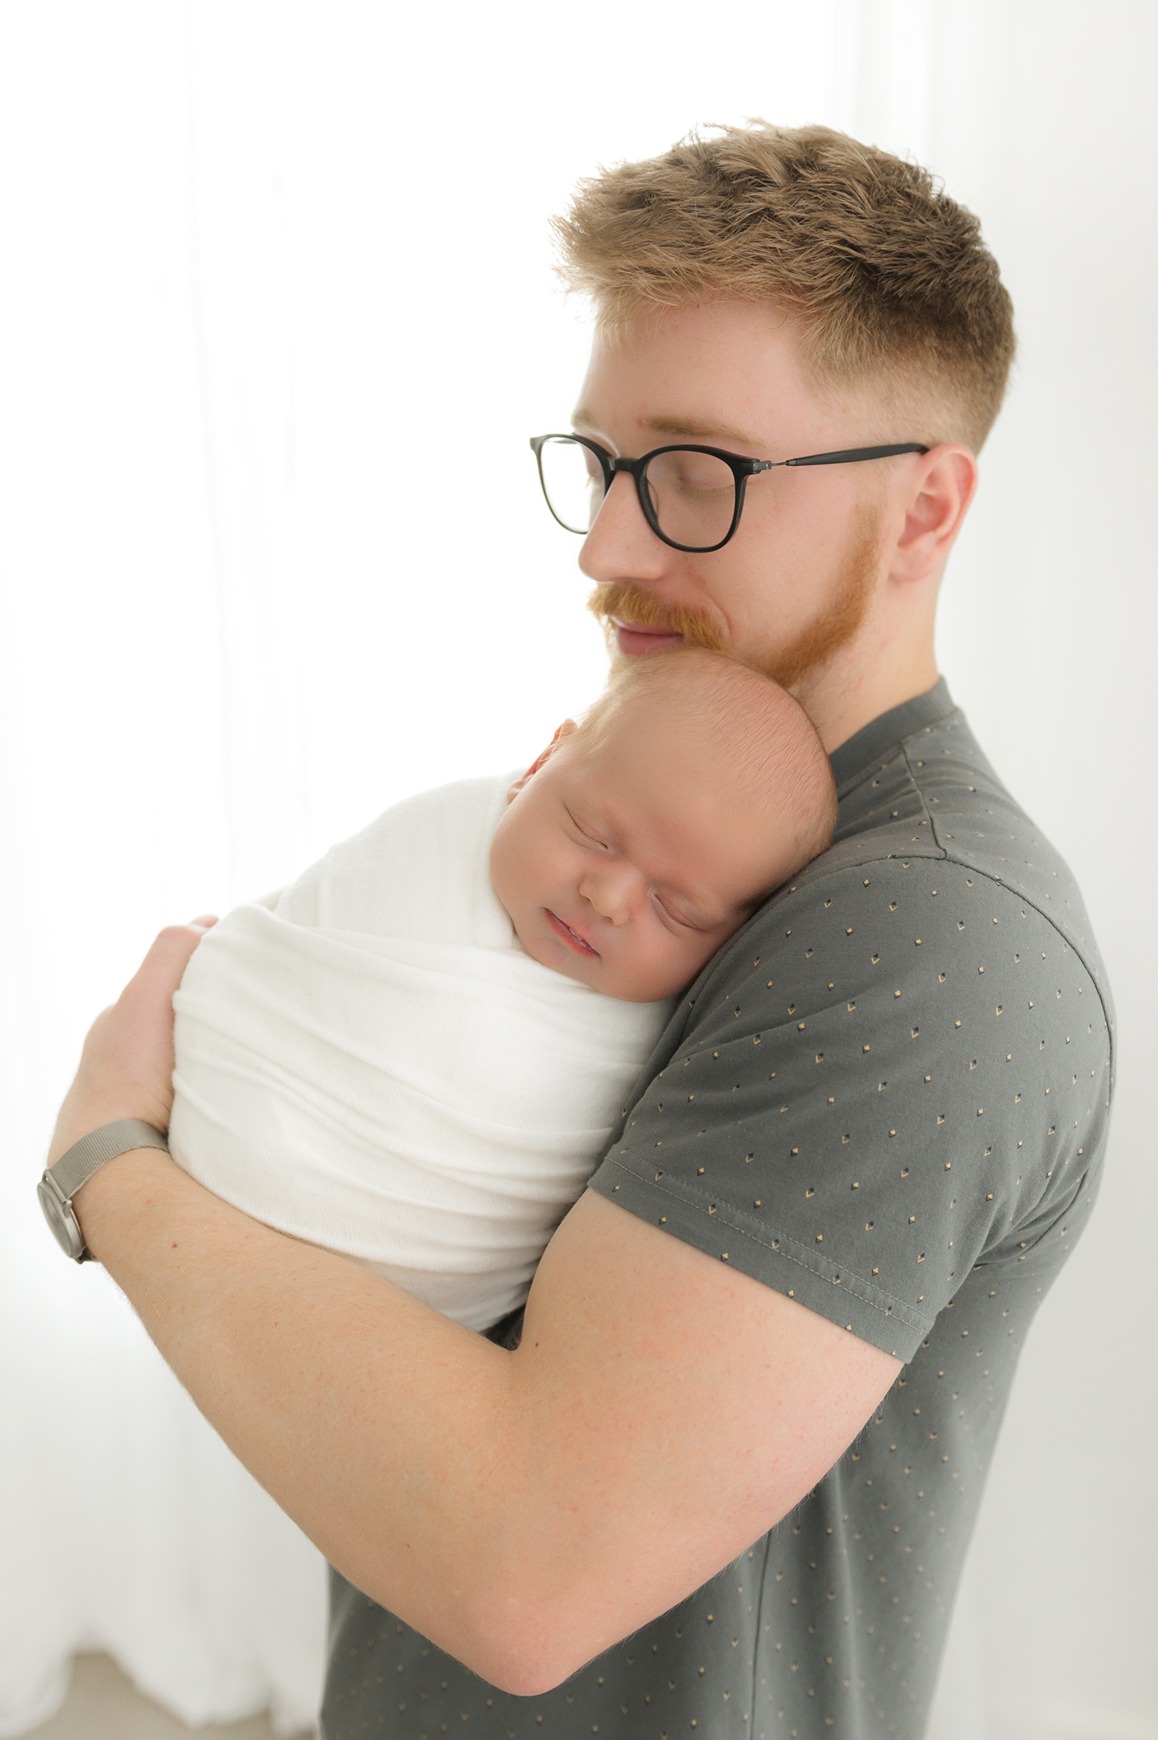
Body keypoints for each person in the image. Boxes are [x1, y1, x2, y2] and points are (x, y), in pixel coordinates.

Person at [42, 121, 1114, 1740]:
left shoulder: (931, 946)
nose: (606, 545)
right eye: (601, 466)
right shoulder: (658, 818)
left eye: (695, 475)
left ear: (918, 513)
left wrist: (109, 1166)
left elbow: (520, 1568)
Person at [167, 650, 836, 1332]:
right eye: (593, 834)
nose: (605, 898)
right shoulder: (432, 842)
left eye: (676, 909)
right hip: (226, 1137)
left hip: (409, 1317)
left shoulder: (678, 1040)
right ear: (543, 763)